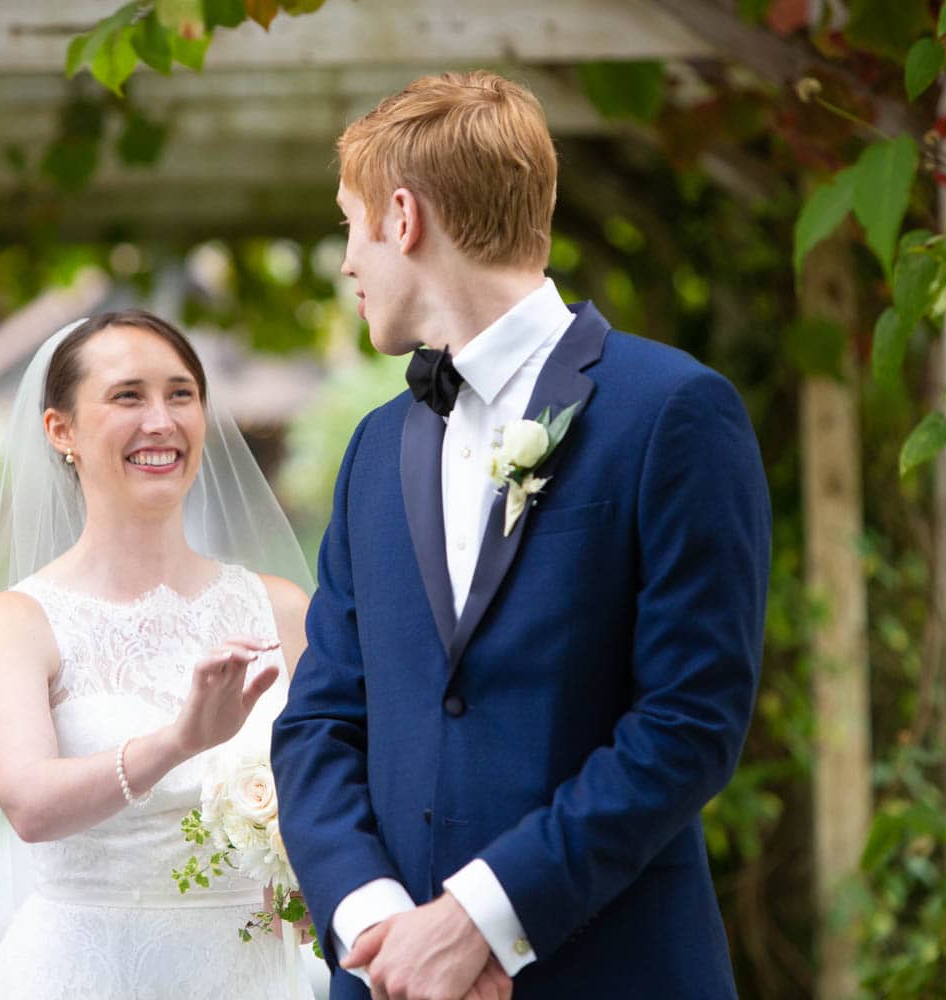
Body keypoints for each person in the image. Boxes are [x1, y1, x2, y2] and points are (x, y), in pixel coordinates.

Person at [271, 71, 772, 999]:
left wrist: (482, 923)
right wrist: (383, 930)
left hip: (611, 970)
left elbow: (689, 721)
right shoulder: (375, 449)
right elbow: (318, 723)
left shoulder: (674, 412)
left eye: (350, 224)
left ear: (404, 217)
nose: (347, 260)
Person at [0, 310, 316, 1000]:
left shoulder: (282, 608)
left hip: (251, 974)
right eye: (127, 396)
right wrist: (179, 741)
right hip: (81, 975)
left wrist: (315, 890)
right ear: (61, 431)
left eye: (181, 394)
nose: (161, 421)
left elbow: (340, 781)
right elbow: (29, 805)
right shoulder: (16, 622)